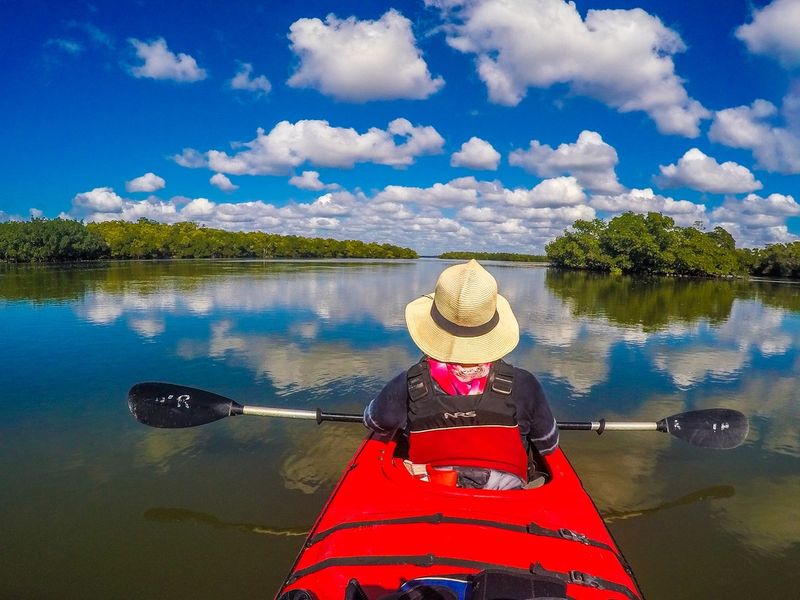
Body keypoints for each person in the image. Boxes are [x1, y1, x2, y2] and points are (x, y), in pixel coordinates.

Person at [364, 259, 559, 490]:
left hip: (430, 491)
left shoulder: (408, 383)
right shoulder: (525, 384)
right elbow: (548, 445)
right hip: (507, 496)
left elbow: (374, 421)